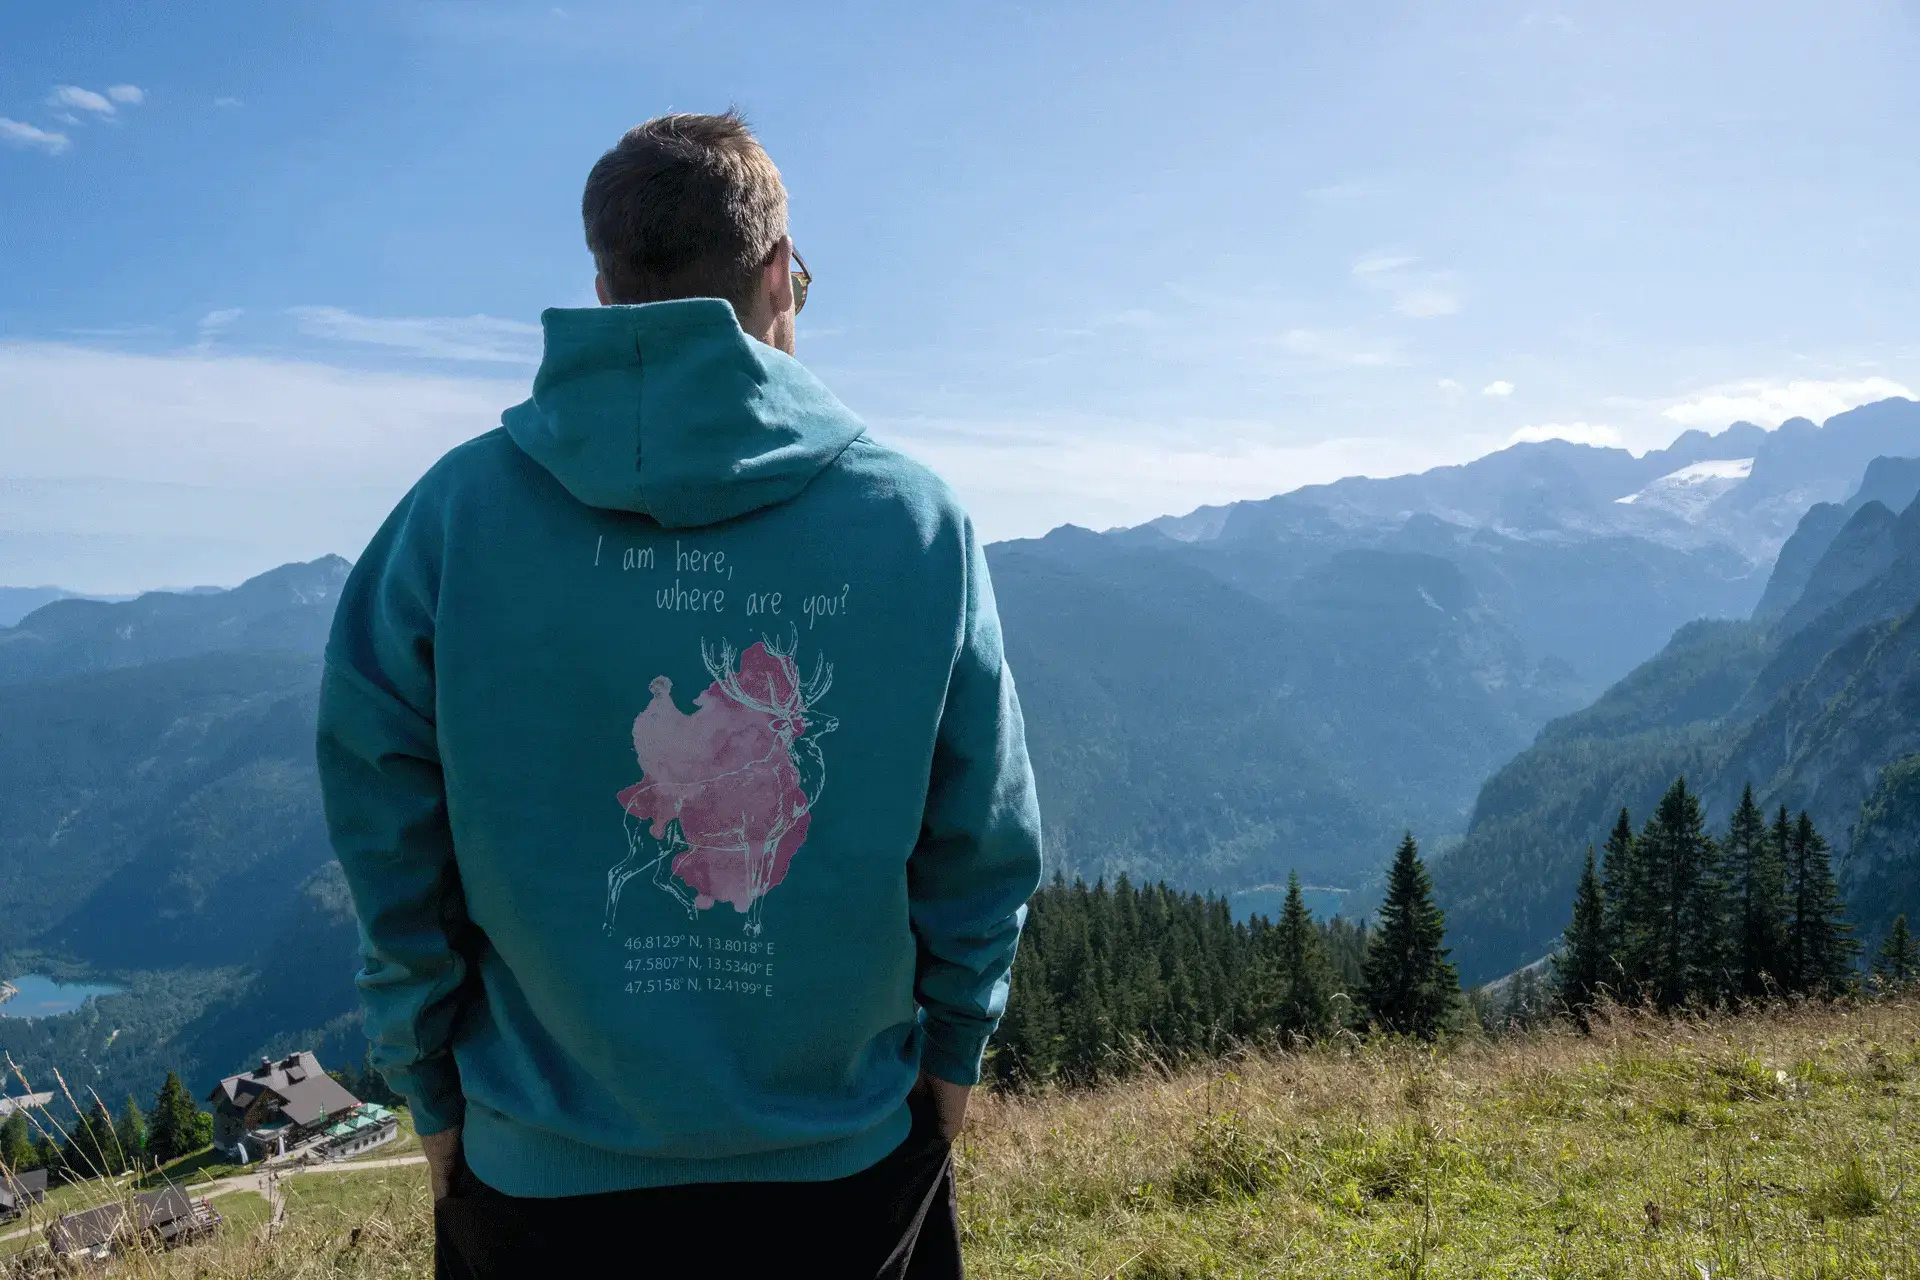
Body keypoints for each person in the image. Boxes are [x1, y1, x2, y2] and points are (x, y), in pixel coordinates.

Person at [316, 111, 1043, 1278]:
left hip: (538, 1177)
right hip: (841, 1168)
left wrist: (428, 1083)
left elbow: (384, 835)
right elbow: (984, 841)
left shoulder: (448, 524)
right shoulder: (916, 523)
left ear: (601, 286)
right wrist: (952, 1056)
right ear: (775, 276)